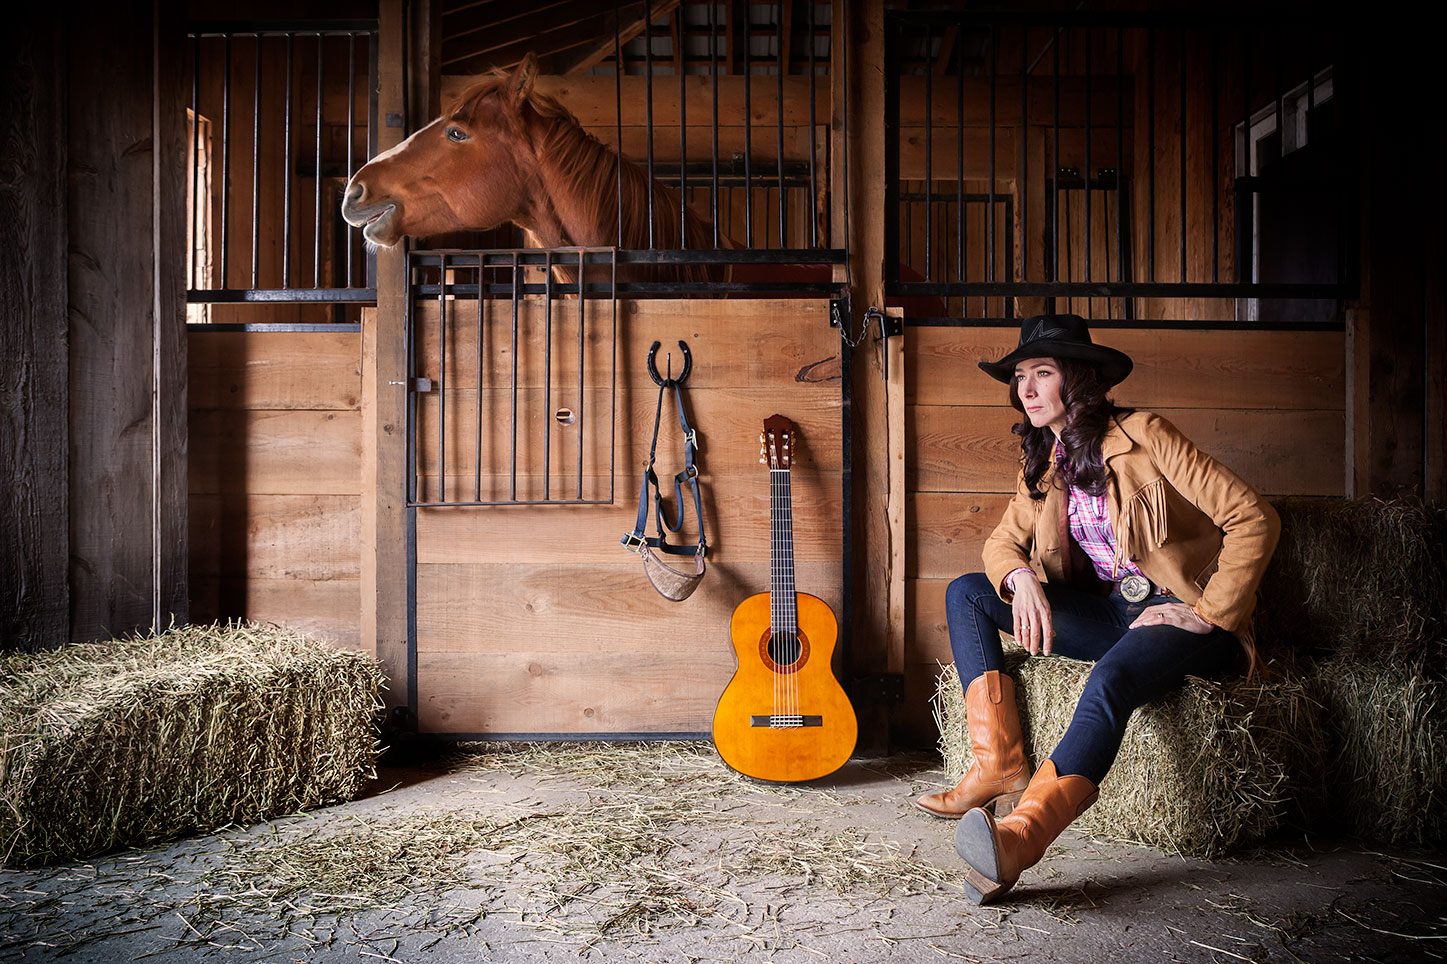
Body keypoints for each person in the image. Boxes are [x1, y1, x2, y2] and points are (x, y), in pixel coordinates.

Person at [914, 313, 1280, 904]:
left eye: (1042, 373)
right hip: (1115, 614)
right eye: (1020, 378)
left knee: (1109, 681)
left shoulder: (1147, 436)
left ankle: (1019, 839)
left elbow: (1253, 518)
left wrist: (1209, 613)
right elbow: (1000, 543)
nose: (1026, 390)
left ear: (1077, 380)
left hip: (1181, 618)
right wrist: (1021, 577)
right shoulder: (1043, 460)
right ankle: (1000, 765)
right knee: (968, 592)